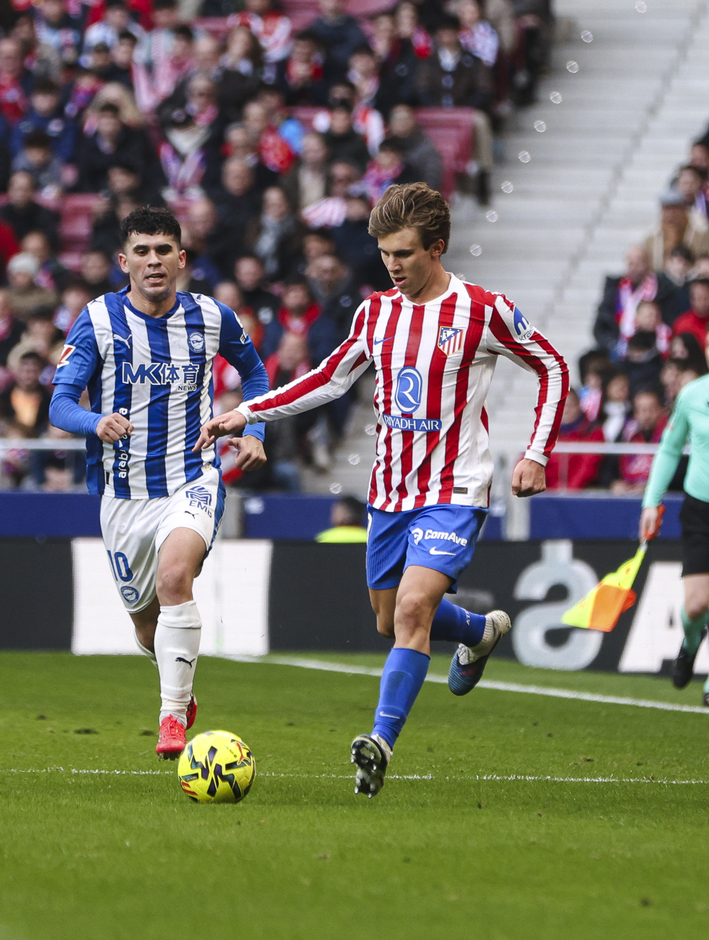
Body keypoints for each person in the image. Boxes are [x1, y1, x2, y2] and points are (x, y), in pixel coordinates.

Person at [198, 183, 568, 797]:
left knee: (414, 610)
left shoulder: (483, 310)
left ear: (437, 248)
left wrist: (535, 453)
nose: (392, 266)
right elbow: (327, 379)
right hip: (388, 491)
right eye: (384, 255)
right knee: (387, 619)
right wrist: (249, 411)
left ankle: (380, 741)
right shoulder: (376, 313)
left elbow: (551, 365)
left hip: (454, 487)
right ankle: (477, 632)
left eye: (403, 253)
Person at [48, 206, 270, 760]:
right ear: (124, 262)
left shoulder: (213, 316)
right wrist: (95, 421)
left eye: (163, 250)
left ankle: (172, 720)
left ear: (181, 259)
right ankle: (180, 683)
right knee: (148, 630)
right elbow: (59, 403)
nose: (153, 261)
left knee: (176, 576)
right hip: (122, 496)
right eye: (142, 251)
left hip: (191, 477)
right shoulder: (98, 319)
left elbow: (258, 375)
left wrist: (253, 426)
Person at [640, 320, 709, 709]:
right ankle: (690, 645)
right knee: (694, 607)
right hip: (701, 511)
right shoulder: (692, 394)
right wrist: (650, 502)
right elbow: (670, 449)